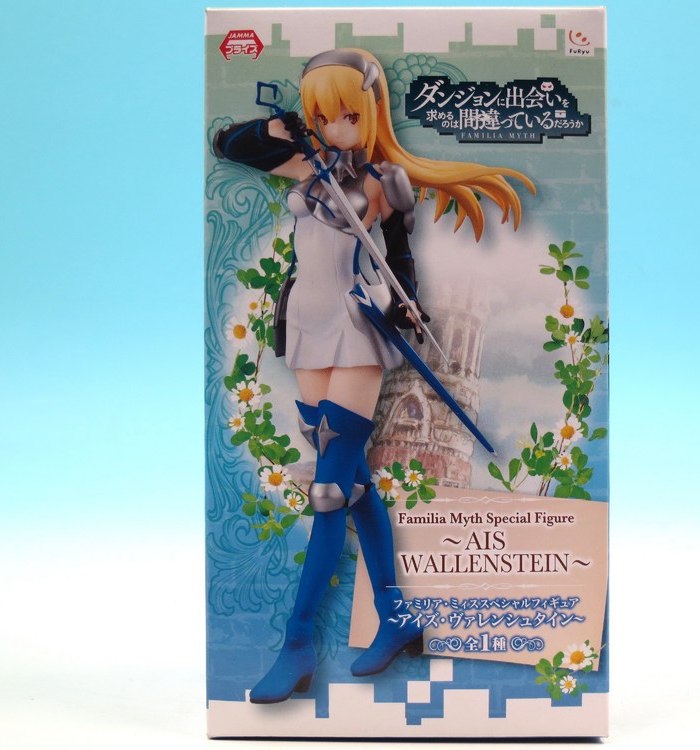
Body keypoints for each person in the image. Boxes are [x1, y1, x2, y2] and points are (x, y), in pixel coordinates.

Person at [213, 48, 534, 704]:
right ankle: (397, 616)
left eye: (348, 115)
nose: (335, 127)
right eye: (321, 116)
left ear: (372, 112)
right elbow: (227, 145)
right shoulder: (305, 164)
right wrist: (276, 127)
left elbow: (399, 256)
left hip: (355, 327)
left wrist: (406, 302)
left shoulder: (386, 181)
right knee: (354, 484)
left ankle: (297, 644)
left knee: (330, 489)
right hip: (305, 324)